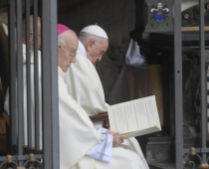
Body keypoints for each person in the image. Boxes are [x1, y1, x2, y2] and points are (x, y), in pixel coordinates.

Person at [58, 24, 149, 168]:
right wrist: (104, 139)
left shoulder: (74, 63)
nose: (100, 59)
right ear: (91, 44)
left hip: (80, 135)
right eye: (100, 52)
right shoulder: (80, 63)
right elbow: (92, 108)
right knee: (131, 159)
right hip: (76, 141)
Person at [4, 15, 43, 149]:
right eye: (41, 35)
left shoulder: (18, 51)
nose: (42, 40)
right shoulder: (28, 57)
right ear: (31, 35)